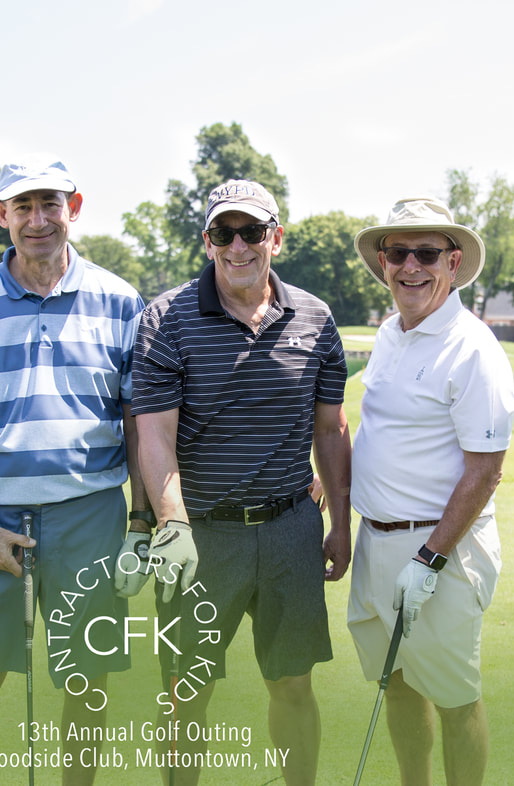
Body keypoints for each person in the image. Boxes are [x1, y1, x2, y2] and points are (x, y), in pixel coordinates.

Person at [129, 179, 353, 785]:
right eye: (223, 233)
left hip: (289, 530)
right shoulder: (166, 318)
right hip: (202, 535)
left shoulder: (315, 317)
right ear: (207, 242)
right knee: (185, 692)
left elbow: (330, 429)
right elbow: (155, 436)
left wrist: (341, 523)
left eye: (251, 231)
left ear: (275, 238)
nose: (238, 246)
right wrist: (171, 525)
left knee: (293, 684)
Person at [0, 156, 148, 785]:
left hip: (91, 517)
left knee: (87, 681)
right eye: (22, 207)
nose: (37, 220)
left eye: (50, 204)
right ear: (0, 215)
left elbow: (138, 420)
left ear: (72, 209)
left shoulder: (120, 300)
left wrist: (140, 520)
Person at [348, 197, 514, 785]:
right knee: (396, 683)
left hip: (439, 551)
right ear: (383, 262)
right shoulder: (390, 333)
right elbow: (386, 431)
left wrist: (430, 559)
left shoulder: (473, 348)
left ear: (452, 262)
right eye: (398, 252)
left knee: (453, 696)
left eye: (426, 253)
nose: (411, 266)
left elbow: (485, 471)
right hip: (376, 542)